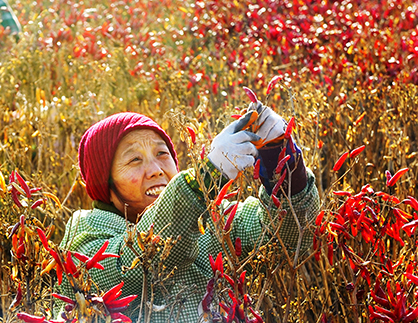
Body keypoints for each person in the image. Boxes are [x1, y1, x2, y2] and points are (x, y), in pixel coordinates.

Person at [58, 104, 320, 322]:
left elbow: (287, 235)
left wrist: (282, 163)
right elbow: (134, 266)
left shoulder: (215, 219)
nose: (156, 170)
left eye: (162, 154)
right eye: (134, 160)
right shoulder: (84, 234)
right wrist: (204, 179)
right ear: (106, 182)